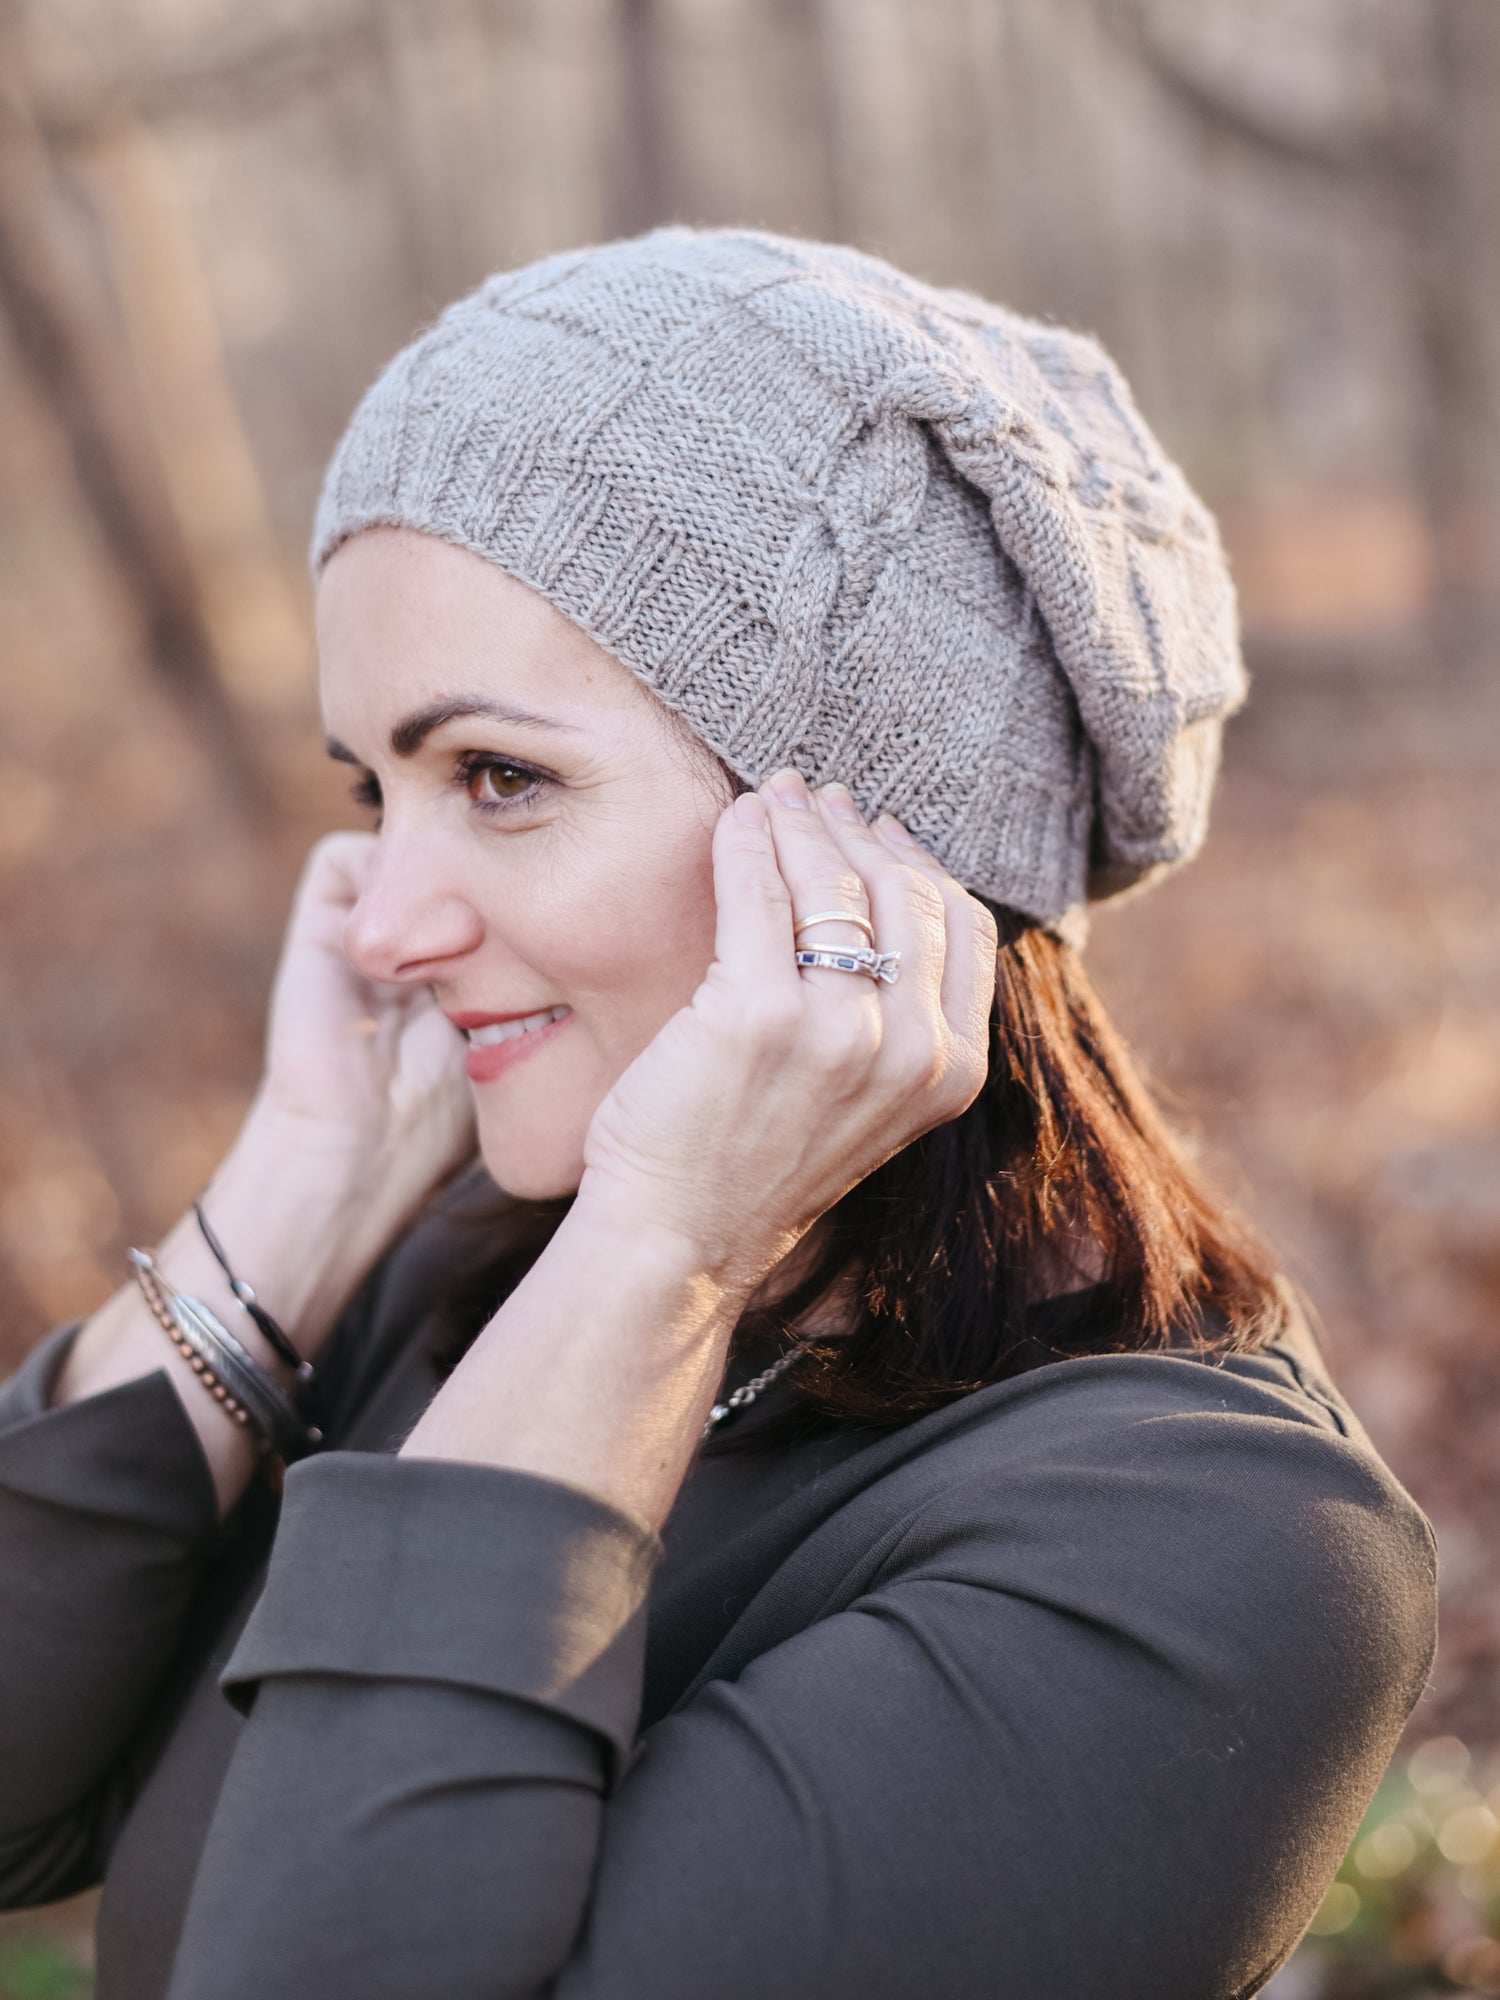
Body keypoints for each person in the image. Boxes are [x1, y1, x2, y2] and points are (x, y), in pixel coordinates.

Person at [0, 228, 1435, 2000]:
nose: (378, 918)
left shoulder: (1208, 1557)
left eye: (501, 778)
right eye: (378, 787)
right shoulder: (451, 1282)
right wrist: (295, 1199)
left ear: (873, 846)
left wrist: (663, 1257)